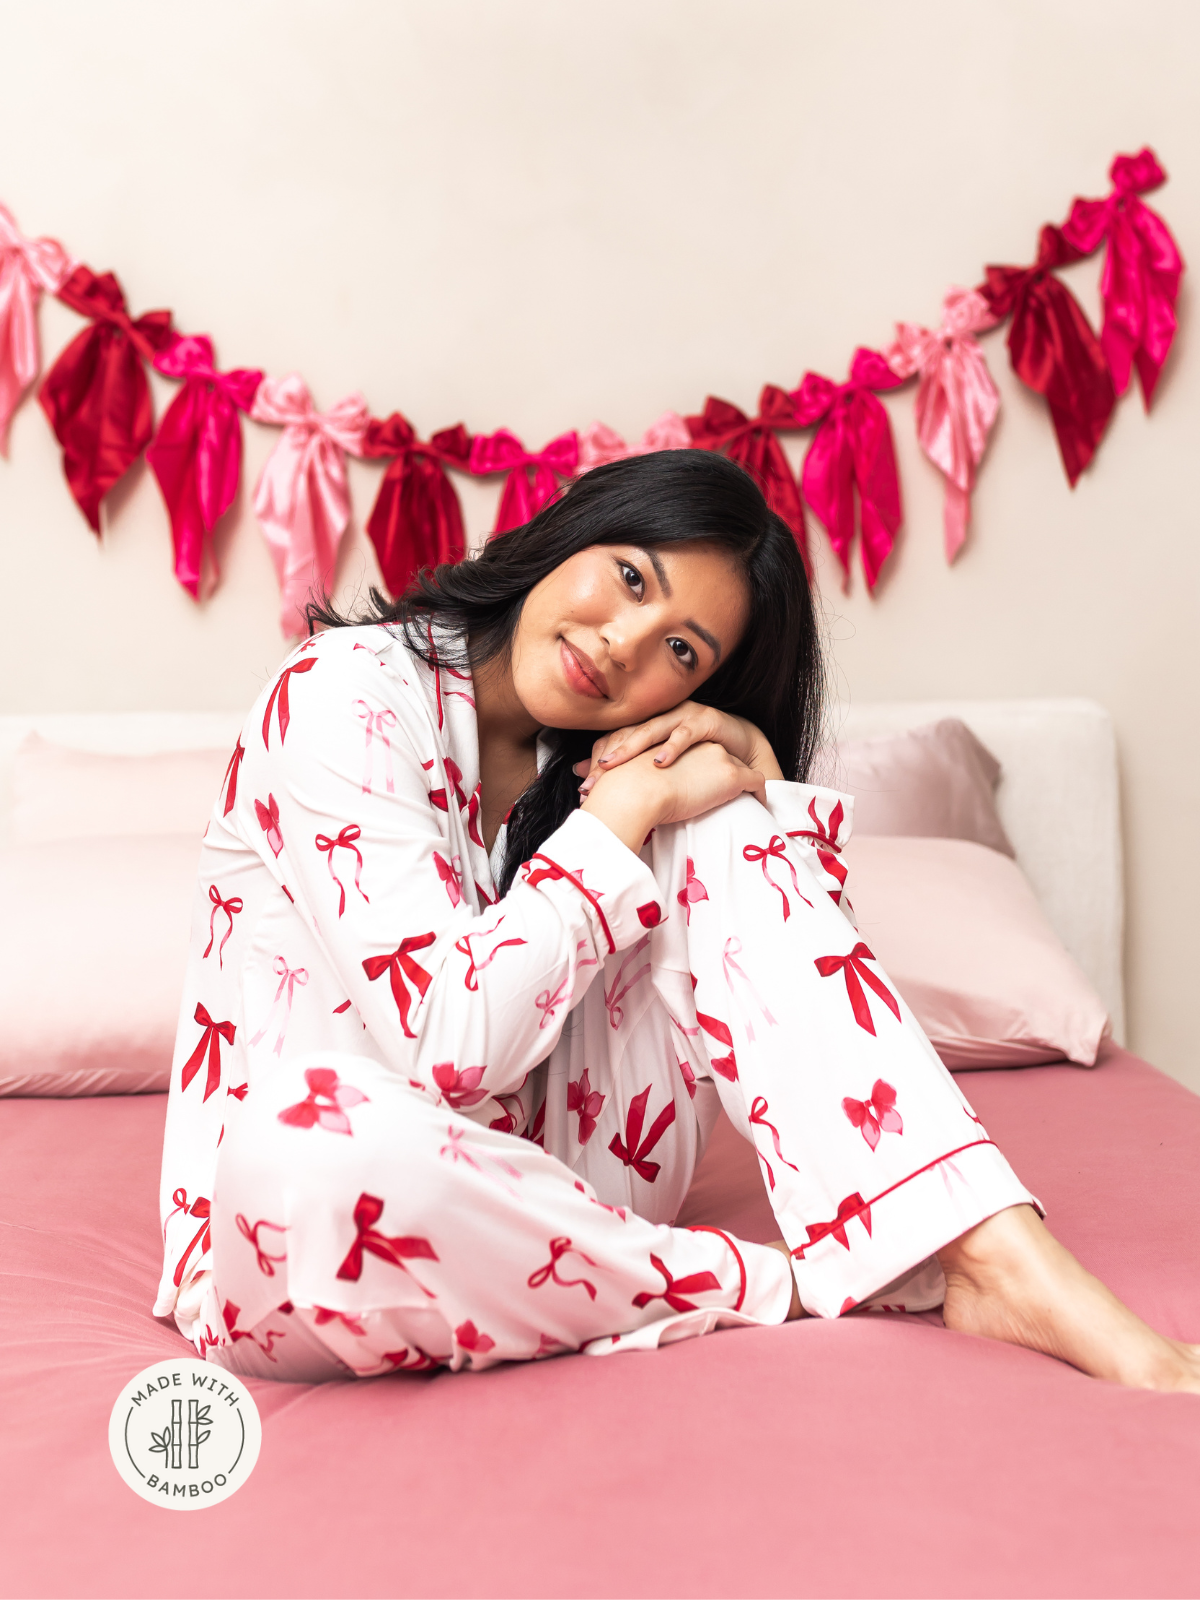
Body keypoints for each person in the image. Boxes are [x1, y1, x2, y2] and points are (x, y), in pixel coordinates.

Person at [155, 449, 1200, 1390]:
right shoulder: (341, 693)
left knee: (718, 811)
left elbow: (796, 998)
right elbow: (449, 1048)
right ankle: (791, 1275)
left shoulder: (604, 759)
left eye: (684, 652)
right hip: (312, 1226)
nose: (623, 645)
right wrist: (623, 813)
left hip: (569, 1182)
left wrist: (749, 781)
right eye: (630, 578)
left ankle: (995, 1253)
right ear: (573, 530)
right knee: (307, 1133)